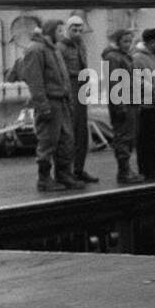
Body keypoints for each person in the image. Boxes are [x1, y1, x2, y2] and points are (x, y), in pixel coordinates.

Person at [21, 18, 83, 192]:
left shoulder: (52, 49)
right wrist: (43, 106)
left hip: (60, 102)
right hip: (50, 102)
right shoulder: (36, 50)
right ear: (51, 31)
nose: (63, 34)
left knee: (65, 140)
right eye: (60, 31)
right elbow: (35, 81)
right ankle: (44, 178)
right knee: (48, 141)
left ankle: (63, 174)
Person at [59, 15, 99, 183]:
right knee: (71, 131)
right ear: (67, 30)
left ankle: (78, 168)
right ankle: (67, 171)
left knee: (82, 131)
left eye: (80, 30)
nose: (77, 32)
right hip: (70, 87)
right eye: (74, 30)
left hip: (81, 85)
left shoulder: (81, 44)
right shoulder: (60, 47)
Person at [102, 28, 143, 184]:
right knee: (123, 137)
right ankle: (123, 170)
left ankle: (126, 169)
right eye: (125, 41)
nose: (128, 45)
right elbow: (114, 82)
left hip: (130, 101)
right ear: (118, 42)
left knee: (129, 136)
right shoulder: (114, 58)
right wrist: (119, 105)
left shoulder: (124, 57)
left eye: (130, 41)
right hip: (123, 102)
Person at [133, 28, 155, 180]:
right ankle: (147, 169)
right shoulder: (138, 58)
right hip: (147, 103)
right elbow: (138, 80)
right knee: (146, 138)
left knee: (154, 136)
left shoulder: (154, 56)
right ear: (152, 42)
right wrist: (154, 91)